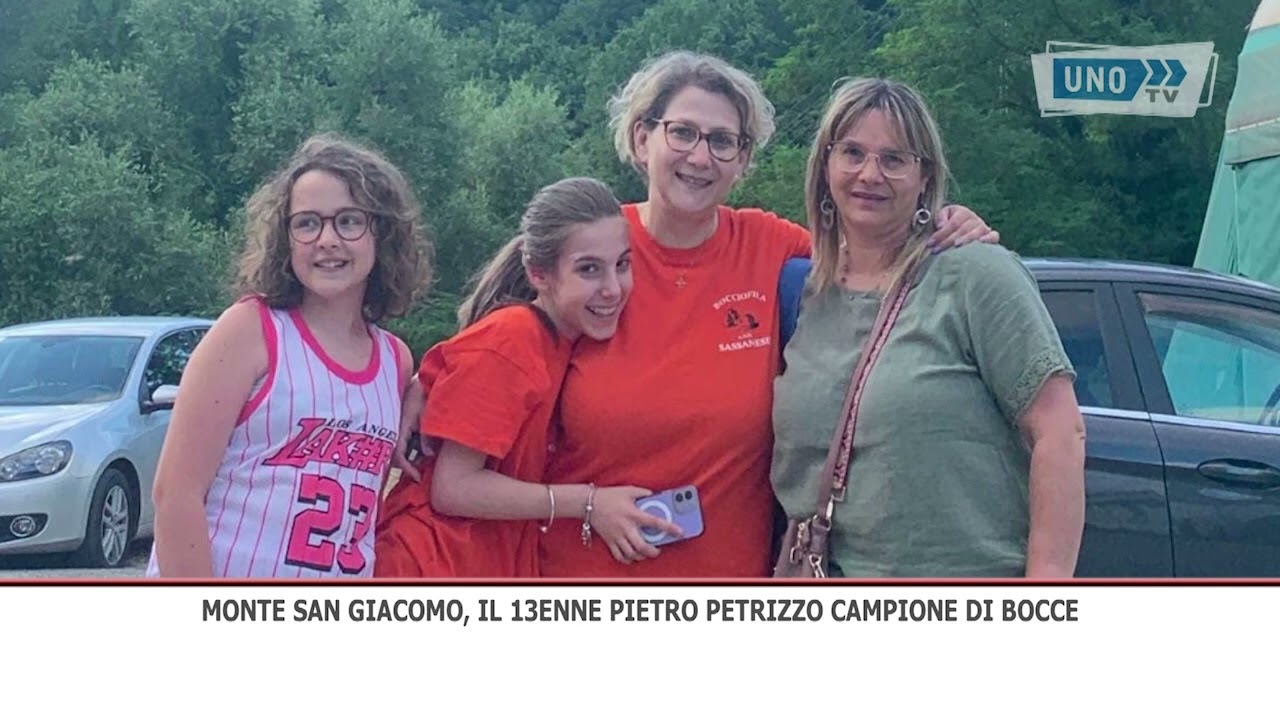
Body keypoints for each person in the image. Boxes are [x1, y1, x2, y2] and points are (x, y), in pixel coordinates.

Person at [531, 51, 1001, 578]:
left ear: (743, 159)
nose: (700, 157)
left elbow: (875, 257)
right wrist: (584, 502)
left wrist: (945, 223)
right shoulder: (589, 252)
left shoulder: (770, 247)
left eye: (722, 141)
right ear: (643, 139)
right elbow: (488, 405)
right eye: (682, 133)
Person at [770, 77, 1086, 578]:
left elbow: (1060, 431)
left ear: (925, 176)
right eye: (852, 152)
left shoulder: (975, 274)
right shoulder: (802, 292)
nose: (869, 173)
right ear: (825, 165)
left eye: (894, 159)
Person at [148, 133, 429, 578]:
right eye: (307, 223)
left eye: (349, 221)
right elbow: (175, 495)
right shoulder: (249, 330)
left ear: (383, 233)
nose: (327, 240)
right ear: (286, 237)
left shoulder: (395, 361)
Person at [374, 177, 682, 577]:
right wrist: (589, 504)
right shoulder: (512, 338)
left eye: (622, 265)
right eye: (589, 269)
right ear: (539, 274)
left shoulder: (564, 339)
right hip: (429, 565)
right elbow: (453, 488)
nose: (612, 288)